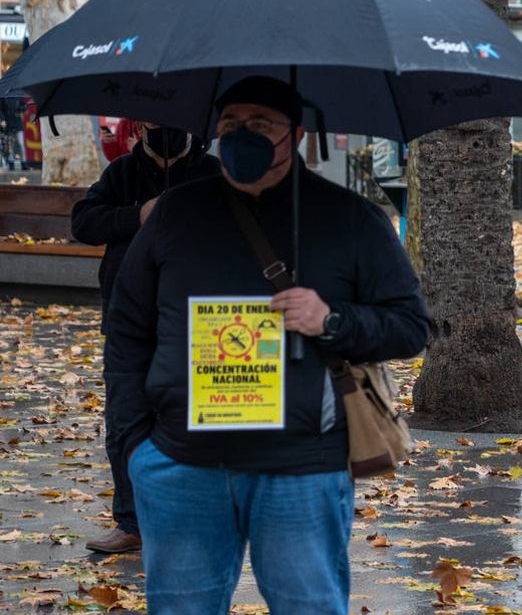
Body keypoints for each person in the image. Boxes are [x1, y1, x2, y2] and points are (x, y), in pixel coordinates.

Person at [104, 76, 431, 612]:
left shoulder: (350, 219)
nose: (241, 135)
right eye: (231, 125)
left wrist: (332, 319)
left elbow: (409, 327)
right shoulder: (174, 214)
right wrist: (135, 442)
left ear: (295, 135)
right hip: (182, 466)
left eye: (260, 125)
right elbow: (126, 330)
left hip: (301, 469)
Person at [71, 121, 220, 554]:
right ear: (140, 125)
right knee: (125, 420)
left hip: (194, 320)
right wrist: (138, 214)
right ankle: (132, 522)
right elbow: (84, 222)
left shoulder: (212, 172)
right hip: (127, 321)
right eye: (153, 123)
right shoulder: (120, 173)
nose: (163, 130)